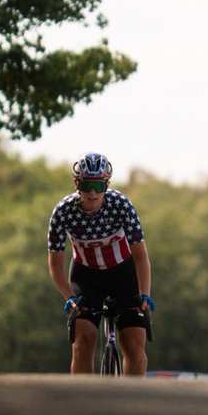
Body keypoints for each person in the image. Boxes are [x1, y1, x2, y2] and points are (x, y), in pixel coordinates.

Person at [47, 152, 154, 375]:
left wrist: (144, 294)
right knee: (83, 341)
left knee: (134, 347)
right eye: (87, 185)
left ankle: (129, 401)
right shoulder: (63, 212)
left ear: (106, 184)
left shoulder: (120, 205)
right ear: (77, 183)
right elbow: (55, 265)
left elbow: (141, 255)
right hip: (86, 277)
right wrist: (69, 297)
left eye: (98, 185)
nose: (93, 193)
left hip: (124, 274)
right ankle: (84, 401)